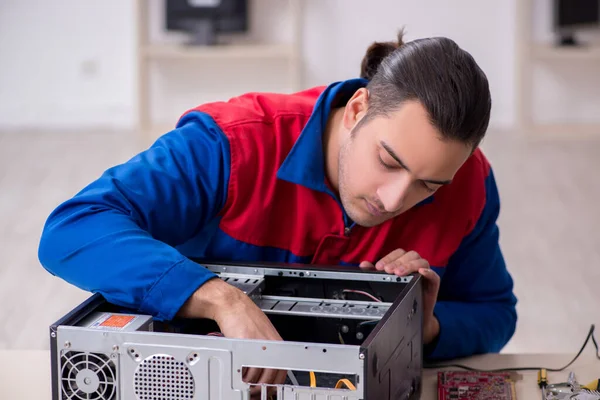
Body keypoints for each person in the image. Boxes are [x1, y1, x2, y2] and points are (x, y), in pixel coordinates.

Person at [38, 31, 517, 391]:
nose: (393, 201)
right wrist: (221, 299)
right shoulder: (230, 143)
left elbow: (494, 313)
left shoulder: (470, 182)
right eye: (388, 161)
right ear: (356, 109)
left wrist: (424, 325)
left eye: (428, 185)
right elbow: (71, 228)